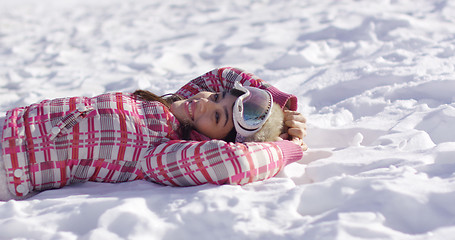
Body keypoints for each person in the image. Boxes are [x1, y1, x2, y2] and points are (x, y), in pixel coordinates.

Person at [0, 67, 307, 201]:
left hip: (10, 163)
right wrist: (278, 103)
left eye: (217, 116)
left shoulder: (162, 152)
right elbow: (222, 74)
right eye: (215, 98)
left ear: (216, 137)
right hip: (9, 123)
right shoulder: (174, 103)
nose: (203, 104)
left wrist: (288, 147)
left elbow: (233, 162)